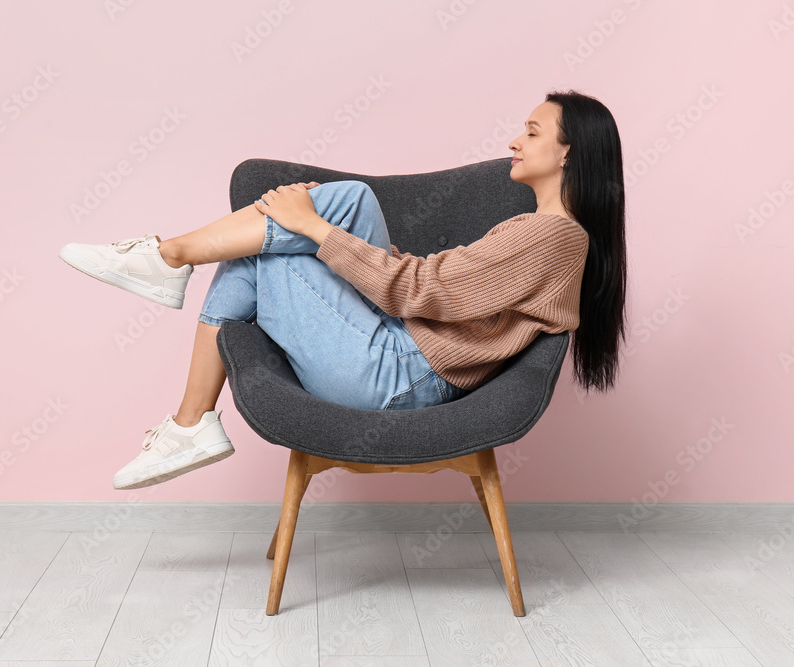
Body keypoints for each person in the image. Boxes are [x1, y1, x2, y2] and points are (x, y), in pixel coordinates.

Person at [59, 89, 627, 491]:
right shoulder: (543, 231)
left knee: (265, 250)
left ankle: (173, 294)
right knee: (349, 198)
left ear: (568, 151)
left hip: (401, 377)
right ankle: (168, 266)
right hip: (400, 347)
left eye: (531, 132)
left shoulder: (552, 236)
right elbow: (430, 281)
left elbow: (420, 291)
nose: (514, 141)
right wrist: (312, 221)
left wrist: (309, 228)